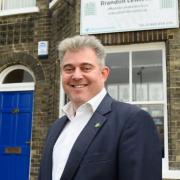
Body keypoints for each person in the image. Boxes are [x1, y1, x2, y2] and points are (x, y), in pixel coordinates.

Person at [38, 35, 162, 180]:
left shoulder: (132, 121)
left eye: (86, 68)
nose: (76, 75)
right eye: (69, 69)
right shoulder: (56, 127)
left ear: (103, 74)